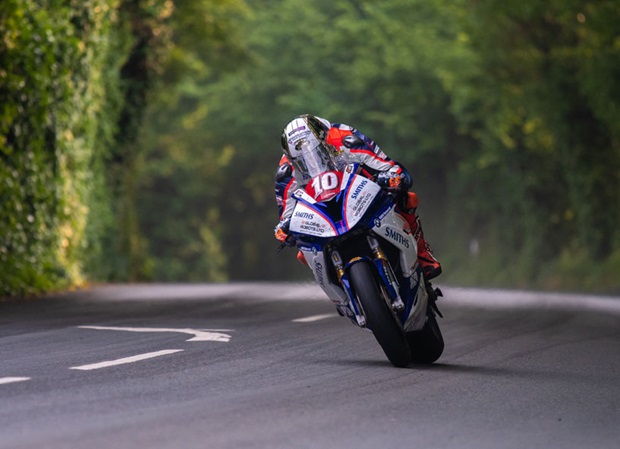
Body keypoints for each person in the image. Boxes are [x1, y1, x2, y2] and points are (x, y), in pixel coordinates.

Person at [274, 114, 442, 280]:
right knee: (303, 251)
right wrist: (285, 229)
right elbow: (286, 215)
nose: (310, 161)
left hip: (359, 195)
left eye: (317, 152)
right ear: (290, 158)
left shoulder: (344, 136)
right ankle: (336, 292)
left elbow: (383, 163)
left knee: (406, 198)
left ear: (325, 139)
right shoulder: (286, 170)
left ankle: (422, 253)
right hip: (322, 214)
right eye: (302, 160)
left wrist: (390, 176)